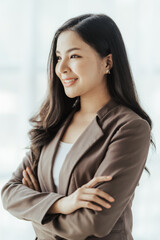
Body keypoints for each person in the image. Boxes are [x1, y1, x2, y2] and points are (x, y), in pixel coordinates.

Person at [1, 13, 153, 240]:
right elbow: (9, 193)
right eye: (58, 57)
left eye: (74, 56)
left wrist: (36, 211)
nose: (61, 67)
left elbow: (93, 223)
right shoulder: (55, 121)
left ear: (107, 62)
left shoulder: (129, 128)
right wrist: (62, 204)